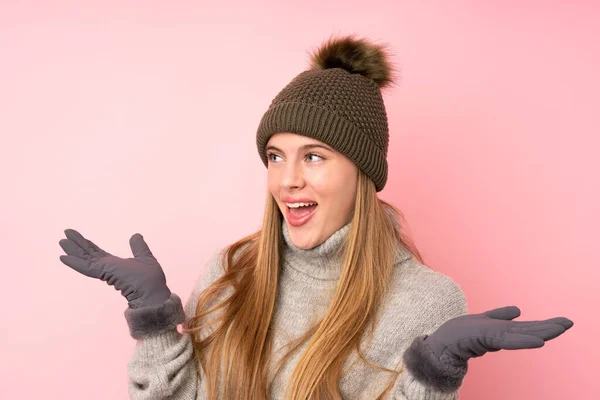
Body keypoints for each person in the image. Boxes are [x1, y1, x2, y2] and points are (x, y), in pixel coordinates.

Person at [58, 35, 574, 400]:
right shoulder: (231, 271)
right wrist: (156, 323)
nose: (287, 180)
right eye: (276, 156)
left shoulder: (425, 301)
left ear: (361, 171)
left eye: (314, 156)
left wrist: (430, 379)